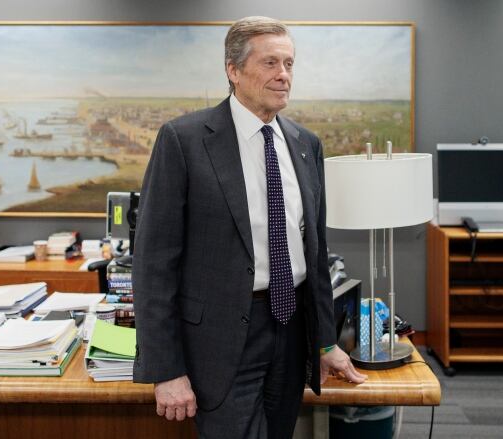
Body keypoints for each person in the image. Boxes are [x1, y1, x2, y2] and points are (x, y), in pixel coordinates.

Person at [133, 16, 364, 439]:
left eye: (290, 64)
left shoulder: (305, 144)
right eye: (270, 63)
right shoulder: (183, 140)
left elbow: (314, 254)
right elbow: (152, 265)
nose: (283, 75)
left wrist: (326, 342)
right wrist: (165, 368)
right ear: (233, 70)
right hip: (219, 340)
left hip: (291, 329)